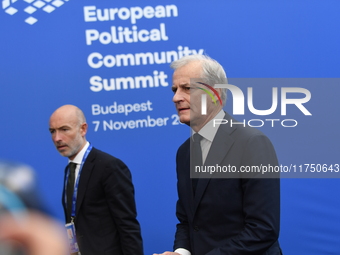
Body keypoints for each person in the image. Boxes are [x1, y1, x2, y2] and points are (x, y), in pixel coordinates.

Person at [154, 55, 282, 255]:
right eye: (175, 90)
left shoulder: (252, 143)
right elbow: (188, 220)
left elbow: (263, 230)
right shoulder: (184, 152)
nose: (176, 97)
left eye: (187, 88)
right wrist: (181, 252)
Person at [49, 105, 144, 255]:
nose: (57, 138)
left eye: (64, 129)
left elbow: (127, 225)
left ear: (83, 129)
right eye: (52, 131)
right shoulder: (70, 169)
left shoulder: (109, 166)